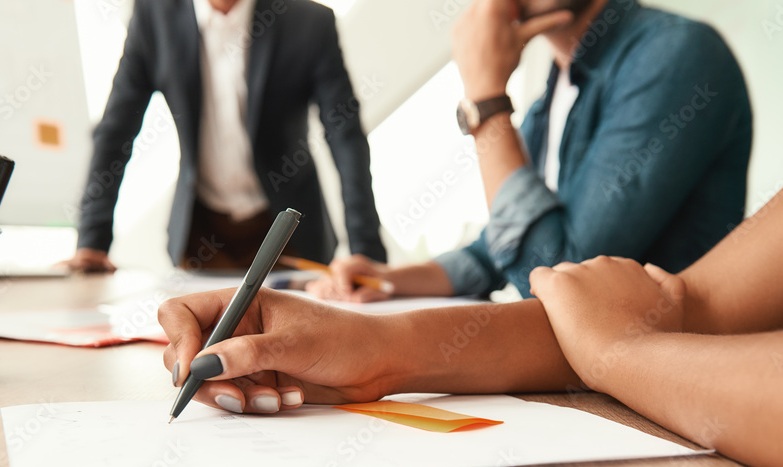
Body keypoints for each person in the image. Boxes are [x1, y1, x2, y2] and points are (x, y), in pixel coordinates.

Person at [158, 60, 783, 467]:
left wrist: (624, 354)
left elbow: (580, 274)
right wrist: (377, 348)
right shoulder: (554, 93)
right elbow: (683, 305)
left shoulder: (672, 59)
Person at [308, 0, 752, 302]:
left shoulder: (675, 53)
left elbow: (561, 278)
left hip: (659, 378)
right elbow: (497, 248)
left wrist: (485, 100)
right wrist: (391, 282)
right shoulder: (559, 83)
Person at [64, 0, 387, 273]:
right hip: (201, 237)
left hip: (290, 239)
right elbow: (115, 131)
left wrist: (367, 250)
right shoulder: (154, 15)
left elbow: (346, 136)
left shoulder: (309, 21)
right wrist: (92, 242)